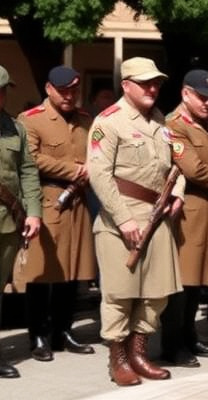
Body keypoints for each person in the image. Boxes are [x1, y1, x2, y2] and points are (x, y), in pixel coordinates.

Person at [87, 57, 186, 386]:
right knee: (119, 293)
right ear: (125, 85)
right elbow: (99, 175)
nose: (153, 88)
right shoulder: (108, 121)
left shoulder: (160, 121)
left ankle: (139, 352)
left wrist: (178, 194)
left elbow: (175, 166)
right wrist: (124, 218)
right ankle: (118, 358)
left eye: (156, 82)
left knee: (156, 293)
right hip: (122, 219)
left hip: (157, 218)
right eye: (145, 83)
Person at [16, 66, 96, 363]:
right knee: (42, 273)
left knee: (72, 271)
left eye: (74, 90)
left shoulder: (86, 120)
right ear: (48, 89)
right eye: (63, 90)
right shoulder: (32, 119)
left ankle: (64, 331)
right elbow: (32, 158)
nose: (69, 96)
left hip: (79, 201)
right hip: (49, 199)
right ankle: (37, 334)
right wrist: (74, 169)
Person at [158, 69, 208, 367]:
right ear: (185, 94)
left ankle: (190, 336)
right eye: (201, 97)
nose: (207, 103)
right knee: (182, 282)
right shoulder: (174, 125)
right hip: (188, 213)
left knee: (197, 282)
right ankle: (173, 344)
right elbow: (194, 169)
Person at [0, 66, 42, 378]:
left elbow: (27, 171)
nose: (2, 96)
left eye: (4, 90)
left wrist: (34, 212)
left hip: (7, 222)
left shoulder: (16, 128)